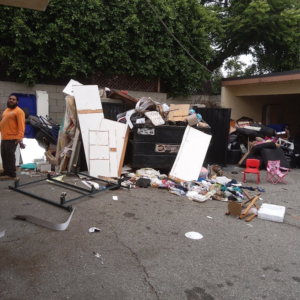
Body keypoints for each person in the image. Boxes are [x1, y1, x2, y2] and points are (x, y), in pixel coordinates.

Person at [0, 94, 25, 180]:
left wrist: (20, 137)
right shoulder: (6, 110)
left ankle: (11, 174)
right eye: (10, 99)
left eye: (13, 99)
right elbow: (3, 122)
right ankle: (6, 171)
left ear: (17, 102)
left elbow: (21, 125)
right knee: (4, 156)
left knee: (10, 156)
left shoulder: (19, 111)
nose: (11, 100)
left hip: (12, 138)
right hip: (4, 137)